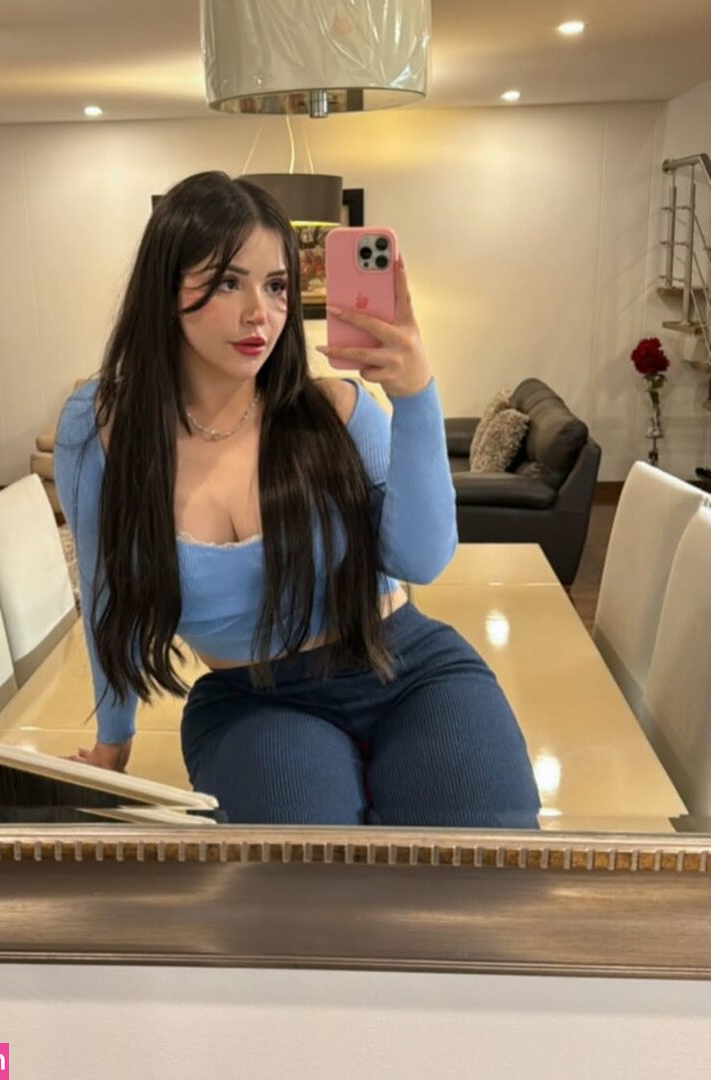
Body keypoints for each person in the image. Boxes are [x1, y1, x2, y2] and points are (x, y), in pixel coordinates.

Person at [54, 170, 540, 828]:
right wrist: (114, 739)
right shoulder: (102, 428)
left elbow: (420, 561)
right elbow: (105, 590)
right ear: (165, 288)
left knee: (479, 853)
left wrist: (416, 399)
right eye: (228, 281)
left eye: (277, 285)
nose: (260, 312)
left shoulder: (334, 411)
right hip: (253, 701)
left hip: (406, 668)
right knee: (304, 866)